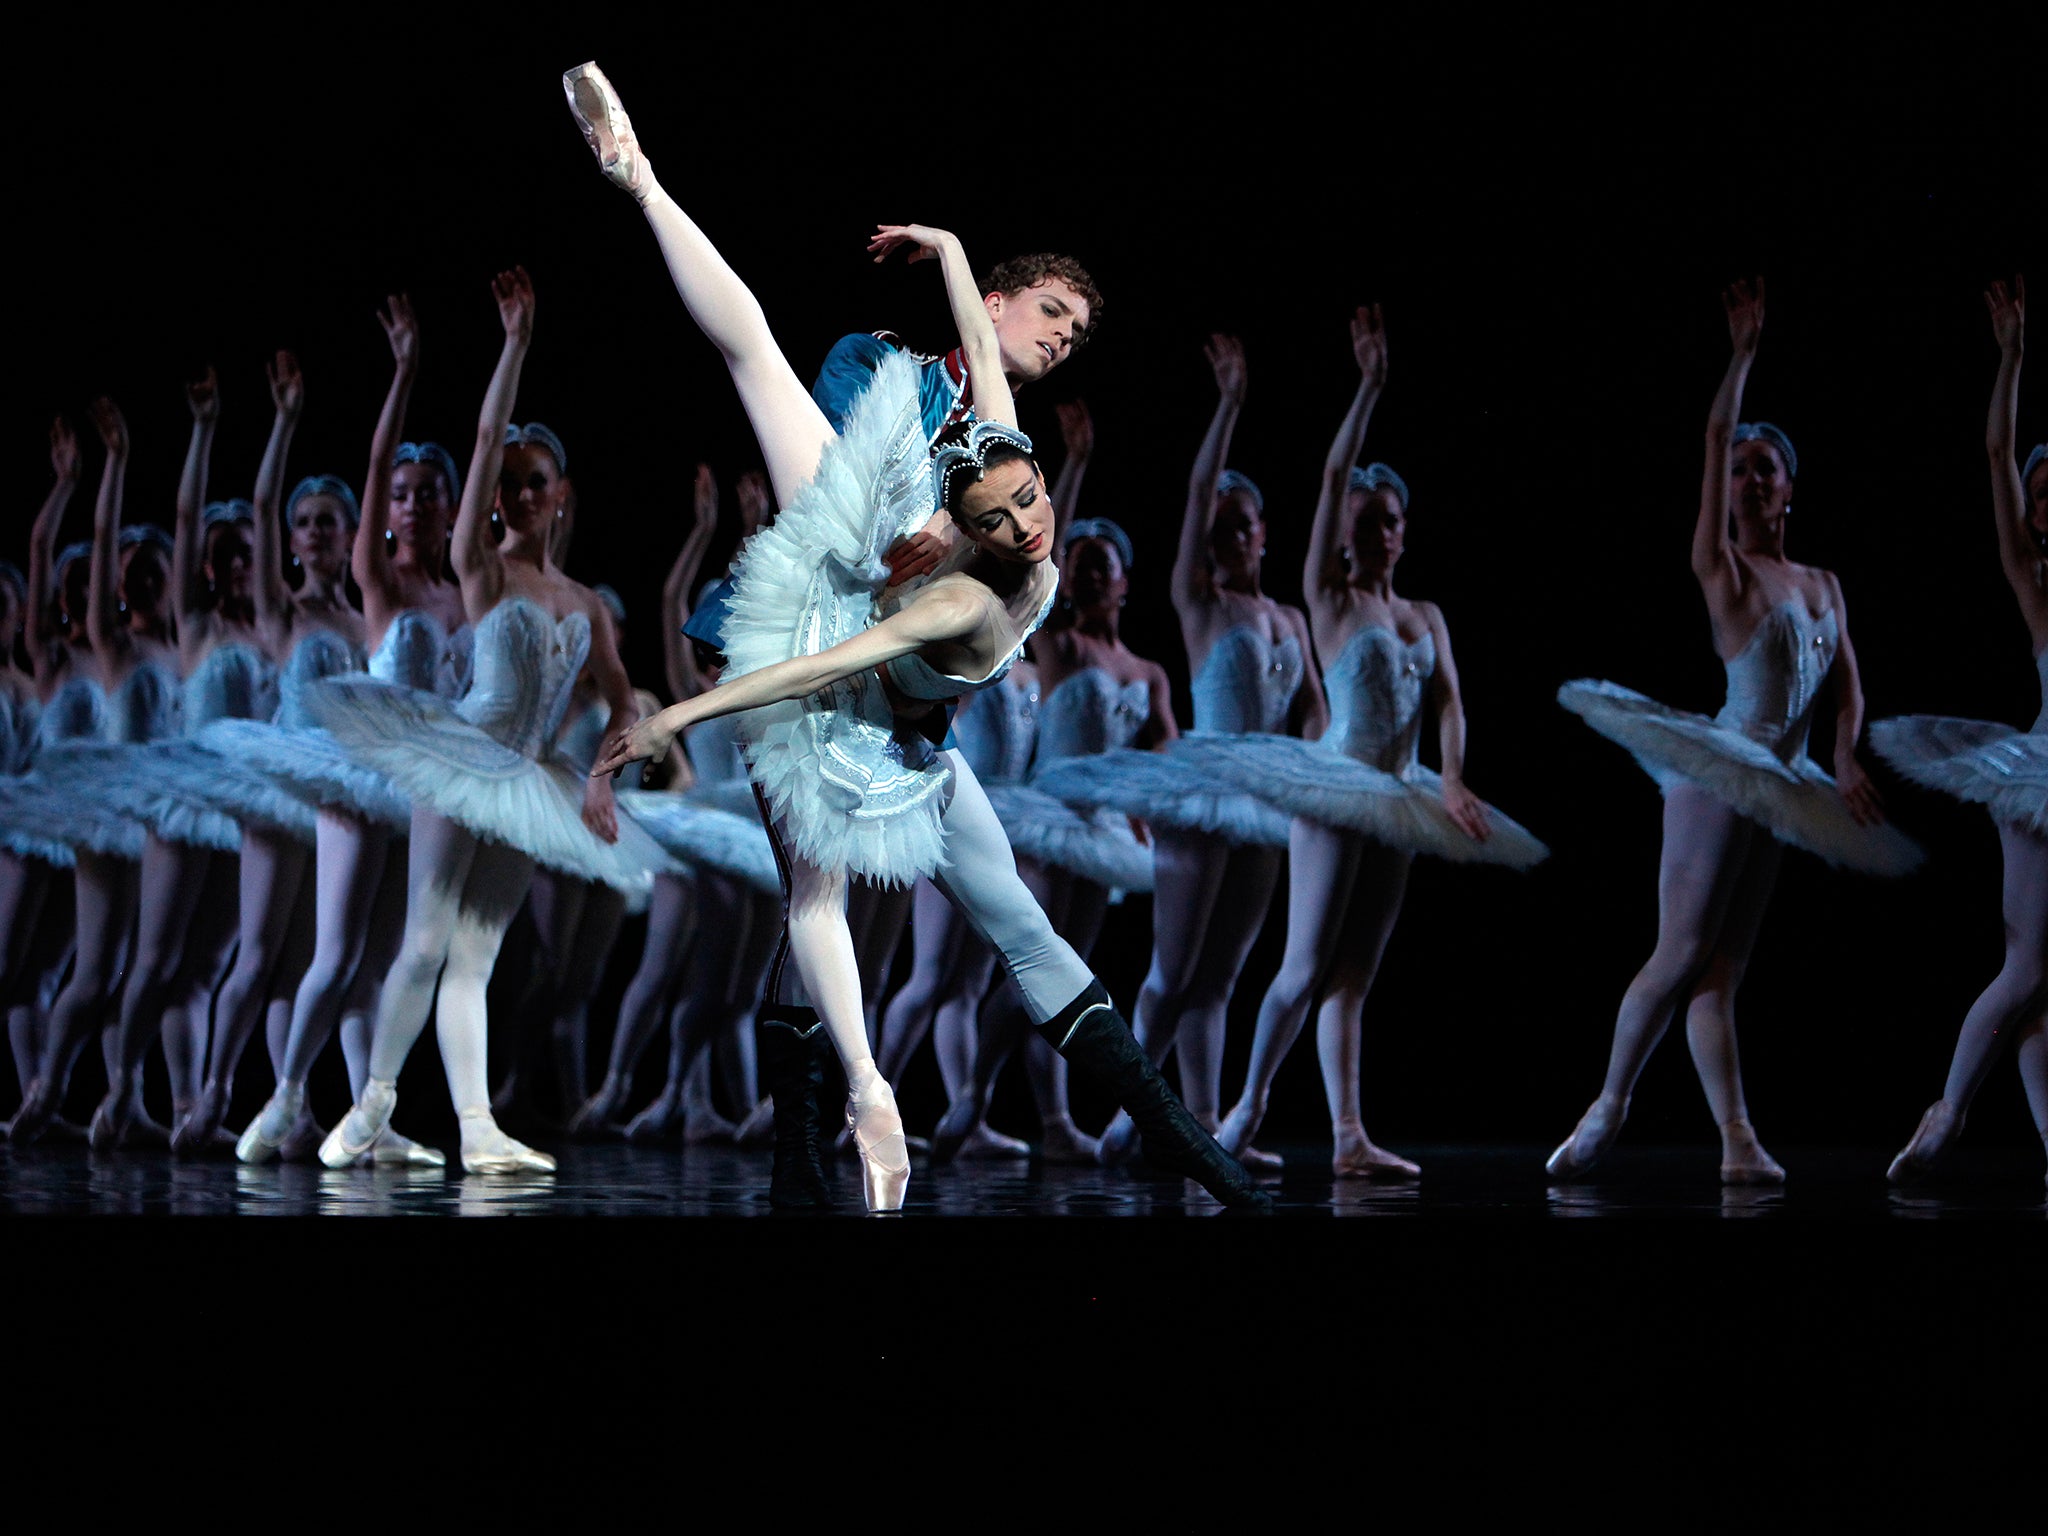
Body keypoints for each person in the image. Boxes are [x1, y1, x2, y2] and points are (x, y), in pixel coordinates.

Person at [567, 60, 1266, 1212]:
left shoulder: (1003, 457)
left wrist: (961, 530)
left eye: (1078, 335)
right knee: (817, 896)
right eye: (1053, 314)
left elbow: (980, 525)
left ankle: (1175, 1139)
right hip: (826, 607)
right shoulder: (888, 370)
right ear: (997, 304)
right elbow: (843, 420)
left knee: (905, 916)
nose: (1061, 341)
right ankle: (640, 180)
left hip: (896, 685)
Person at [1548, 279, 1920, 1185]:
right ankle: (1607, 1107)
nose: (1750, 477)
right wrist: (1741, 360)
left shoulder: (1824, 583)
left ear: (1791, 487)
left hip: (1785, 782)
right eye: (1741, 468)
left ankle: (1738, 1143)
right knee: (1679, 953)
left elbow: (1846, 690)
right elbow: (1714, 439)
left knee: (1723, 972)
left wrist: (1841, 753)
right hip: (1723, 771)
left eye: (1767, 467)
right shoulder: (1728, 574)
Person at [302, 266, 665, 1174]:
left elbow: (623, 700)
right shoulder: (482, 569)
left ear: (560, 491)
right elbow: (478, 434)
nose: (519, 494)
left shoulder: (584, 601)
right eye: (505, 483)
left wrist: (599, 775)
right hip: (465, 754)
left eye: (534, 480)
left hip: (531, 778)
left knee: (478, 954)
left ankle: (478, 1127)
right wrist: (514, 346)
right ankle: (371, 1107)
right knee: (425, 937)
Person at [1206, 309, 1547, 1177]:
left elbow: (1452, 703)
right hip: (1337, 783)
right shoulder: (1330, 598)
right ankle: (1245, 1112)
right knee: (1307, 963)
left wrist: (1457, 779)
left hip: (1400, 791)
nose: (1371, 530)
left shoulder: (1422, 614)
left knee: (1355, 974)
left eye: (1385, 518)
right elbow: (1327, 479)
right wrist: (1369, 386)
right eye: (1361, 518)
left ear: (1403, 528)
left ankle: (1349, 1134)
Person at [237, 296, 467, 1165]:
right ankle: (285, 1098)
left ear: (450, 507)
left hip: (421, 782)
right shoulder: (379, 582)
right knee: (333, 952)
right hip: (359, 766)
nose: (408, 506)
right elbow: (374, 464)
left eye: (426, 496)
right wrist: (404, 371)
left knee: (386, 964)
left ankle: (374, 1121)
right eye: (400, 497)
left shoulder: (457, 595)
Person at [1874, 275, 2048, 1187]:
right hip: (2039, 777)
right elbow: (1994, 455)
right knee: (2027, 968)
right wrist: (2012, 358)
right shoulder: (2038, 583)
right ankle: (1947, 1109)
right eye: (2044, 493)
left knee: (2044, 987)